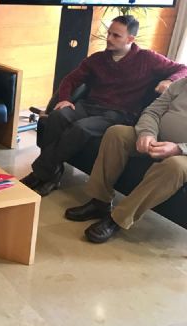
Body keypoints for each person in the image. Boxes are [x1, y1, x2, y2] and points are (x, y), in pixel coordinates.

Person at [21, 15, 187, 196]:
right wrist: (65, 98)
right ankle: (52, 173)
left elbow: (182, 69)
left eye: (116, 35)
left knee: (80, 128)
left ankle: (41, 173)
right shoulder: (98, 59)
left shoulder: (147, 58)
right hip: (89, 106)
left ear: (130, 39)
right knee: (57, 116)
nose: (109, 38)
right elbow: (70, 79)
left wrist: (170, 81)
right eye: (109, 33)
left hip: (120, 113)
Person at [64, 78, 187, 243]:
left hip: (183, 154)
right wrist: (147, 133)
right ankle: (100, 201)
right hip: (157, 137)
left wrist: (179, 148)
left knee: (174, 166)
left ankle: (117, 219)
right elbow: (152, 111)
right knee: (117, 134)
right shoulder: (181, 84)